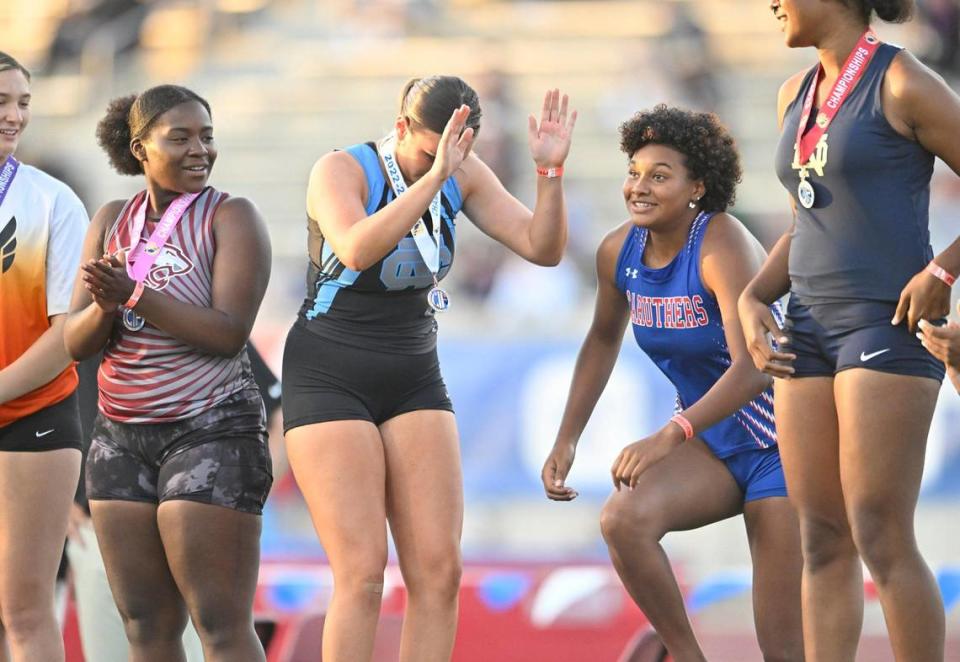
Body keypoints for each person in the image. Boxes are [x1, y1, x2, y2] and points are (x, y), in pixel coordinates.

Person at [282, 76, 576, 662]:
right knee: (363, 573)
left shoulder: (459, 170)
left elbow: (542, 247)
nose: (442, 162)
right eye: (431, 150)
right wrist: (435, 178)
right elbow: (356, 249)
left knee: (440, 571)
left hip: (413, 368)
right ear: (401, 129)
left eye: (458, 150)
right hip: (329, 369)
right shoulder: (343, 169)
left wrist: (549, 174)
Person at [540, 105, 803, 662]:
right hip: (713, 441)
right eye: (634, 172)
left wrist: (671, 432)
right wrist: (567, 438)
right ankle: (685, 656)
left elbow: (757, 367)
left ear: (696, 188)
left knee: (783, 645)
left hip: (784, 442)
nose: (639, 186)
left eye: (659, 176)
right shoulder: (619, 250)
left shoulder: (721, 243)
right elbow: (602, 340)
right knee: (622, 520)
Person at [738, 1, 960, 659]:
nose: (770, 3)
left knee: (880, 532)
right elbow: (805, 222)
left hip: (884, 323)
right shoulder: (793, 93)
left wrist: (944, 274)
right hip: (805, 326)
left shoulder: (902, 82)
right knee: (820, 536)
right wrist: (754, 296)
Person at [63, 84, 272, 662]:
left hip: (211, 430)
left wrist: (135, 293)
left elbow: (228, 331)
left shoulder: (233, 216)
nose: (198, 149)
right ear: (140, 148)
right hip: (119, 438)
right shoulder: (111, 220)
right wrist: (106, 305)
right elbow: (75, 343)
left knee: (219, 622)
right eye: (179, 137)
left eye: (206, 136)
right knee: (145, 627)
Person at [0, 52, 88, 662]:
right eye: (2, 102)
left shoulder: (54, 202)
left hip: (34, 418)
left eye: (23, 102)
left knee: (24, 610)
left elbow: (66, 336)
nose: (14, 117)